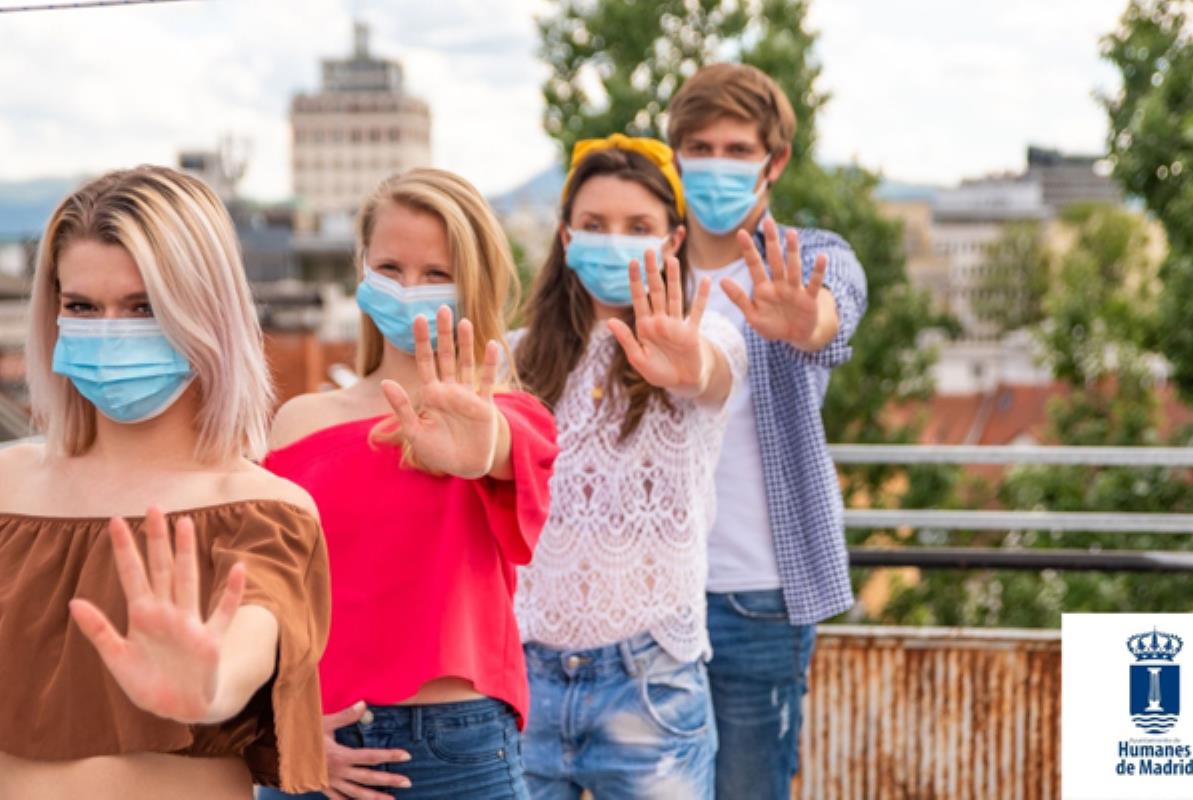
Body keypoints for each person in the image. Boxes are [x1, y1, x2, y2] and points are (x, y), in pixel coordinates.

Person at [0, 165, 331, 800]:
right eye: (82, 307)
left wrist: (208, 686)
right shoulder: (9, 486)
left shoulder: (262, 510)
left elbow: (247, 641)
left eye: (144, 306)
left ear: (205, 312)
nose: (109, 330)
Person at [259, 168, 557, 800]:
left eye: (436, 273)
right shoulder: (296, 423)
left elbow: (502, 452)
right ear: (362, 272)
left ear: (473, 284)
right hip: (315, 744)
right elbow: (270, 601)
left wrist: (481, 448)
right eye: (390, 268)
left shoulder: (509, 416)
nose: (409, 289)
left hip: (460, 748)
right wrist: (286, 731)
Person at [512, 134, 747, 799]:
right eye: (595, 226)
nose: (614, 242)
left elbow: (712, 375)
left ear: (673, 242)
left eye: (637, 227)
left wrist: (689, 364)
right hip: (523, 681)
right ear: (565, 238)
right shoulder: (514, 359)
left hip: (648, 686)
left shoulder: (712, 338)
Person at [666, 62, 870, 799]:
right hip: (651, 601)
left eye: (736, 149)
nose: (716, 165)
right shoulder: (640, 268)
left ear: (773, 162)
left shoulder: (807, 261)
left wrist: (805, 320)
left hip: (758, 594)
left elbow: (832, 312)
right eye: (699, 147)